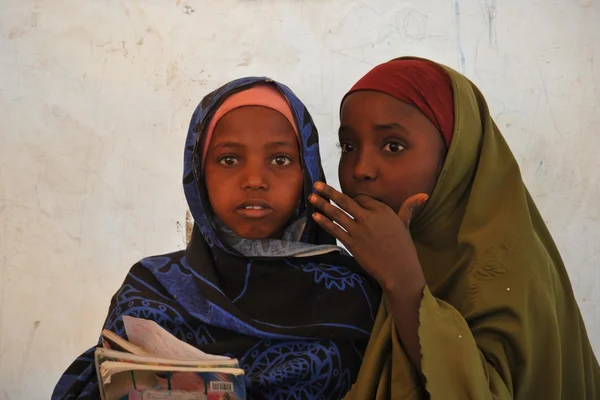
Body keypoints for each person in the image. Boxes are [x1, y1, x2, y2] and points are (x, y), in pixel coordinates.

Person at [52, 78, 381, 400]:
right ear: (199, 173)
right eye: (229, 159)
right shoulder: (151, 289)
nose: (254, 180)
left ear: (306, 175)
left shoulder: (354, 294)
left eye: (280, 160)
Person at [308, 57, 600, 399]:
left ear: (454, 158)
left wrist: (404, 284)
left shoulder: (506, 271)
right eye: (349, 146)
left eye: (393, 146)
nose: (361, 169)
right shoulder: (368, 263)